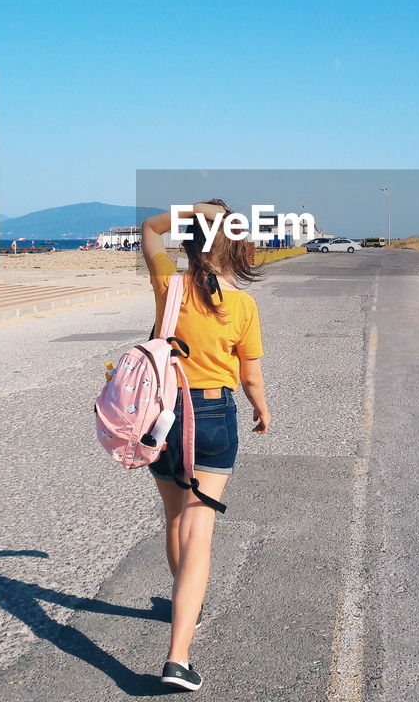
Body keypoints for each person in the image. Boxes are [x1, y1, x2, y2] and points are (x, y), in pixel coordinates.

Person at [139, 199, 270, 692]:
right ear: (236, 247)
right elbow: (251, 375)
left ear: (191, 241)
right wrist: (262, 409)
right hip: (213, 416)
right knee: (199, 529)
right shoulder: (242, 304)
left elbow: (150, 228)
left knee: (175, 519)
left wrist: (194, 209)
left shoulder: (168, 287)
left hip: (161, 415)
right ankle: (178, 656)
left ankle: (183, 607)